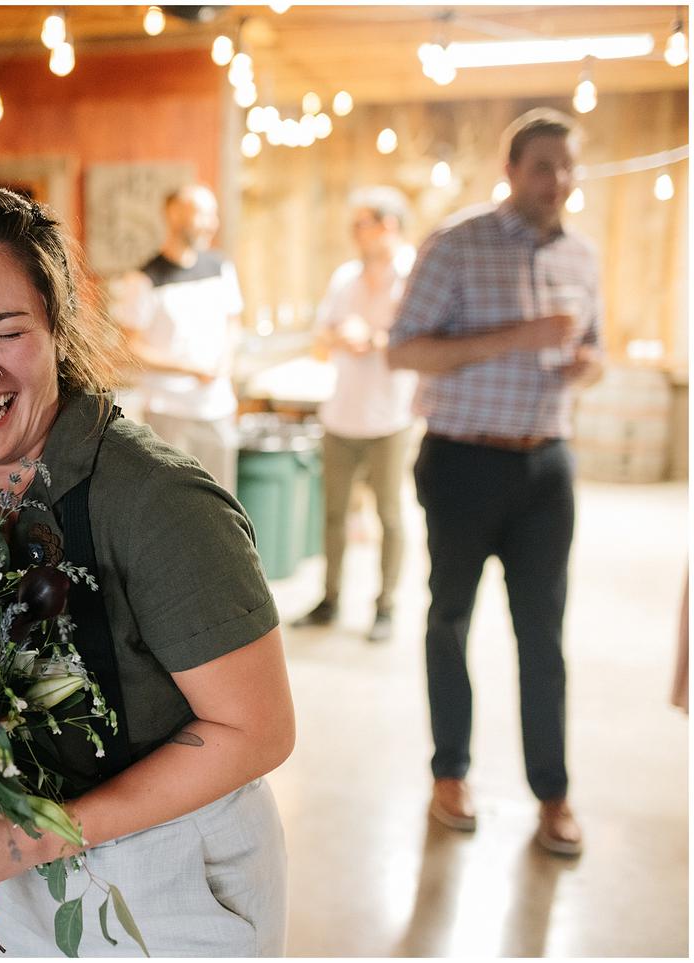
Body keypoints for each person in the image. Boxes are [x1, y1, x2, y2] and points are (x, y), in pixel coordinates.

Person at [0, 185, 295, 956]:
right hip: (12, 882)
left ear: (57, 325)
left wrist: (33, 835)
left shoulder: (159, 500)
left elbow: (258, 729)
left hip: (171, 878)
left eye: (7, 330)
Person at [388, 109, 605, 858]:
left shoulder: (582, 255)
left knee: (544, 633)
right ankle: (450, 774)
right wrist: (520, 337)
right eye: (543, 166)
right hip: (462, 461)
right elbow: (403, 351)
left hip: (548, 463)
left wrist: (586, 365)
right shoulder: (457, 243)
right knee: (450, 617)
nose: (558, 181)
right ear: (510, 170)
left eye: (567, 167)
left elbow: (596, 349)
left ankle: (553, 792)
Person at [294, 187, 419, 642]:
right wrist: (338, 337)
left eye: (362, 223)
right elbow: (320, 339)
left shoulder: (413, 277)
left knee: (390, 515)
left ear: (389, 225)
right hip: (341, 413)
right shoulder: (345, 278)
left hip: (391, 417)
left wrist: (376, 339)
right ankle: (330, 599)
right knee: (334, 515)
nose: (355, 233)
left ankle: (385, 606)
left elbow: (421, 344)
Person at [111, 183, 245, 492]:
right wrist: (190, 369)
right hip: (168, 411)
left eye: (213, 215)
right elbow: (130, 348)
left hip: (218, 407)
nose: (211, 223)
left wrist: (226, 359)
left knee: (223, 497)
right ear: (173, 214)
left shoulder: (221, 267)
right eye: (202, 214)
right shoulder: (143, 279)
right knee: (174, 497)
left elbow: (234, 323)